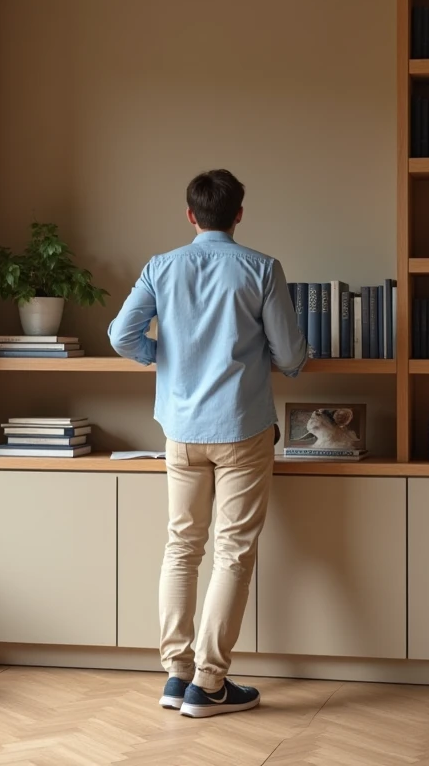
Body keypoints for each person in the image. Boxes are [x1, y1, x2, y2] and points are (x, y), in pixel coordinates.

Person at [107, 169, 307, 718]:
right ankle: (210, 683)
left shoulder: (160, 267)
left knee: (182, 546)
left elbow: (121, 334)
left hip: (180, 431)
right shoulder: (261, 268)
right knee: (233, 552)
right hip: (243, 429)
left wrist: (163, 360)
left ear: (190, 215)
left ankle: (177, 675)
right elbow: (289, 356)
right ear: (239, 214)